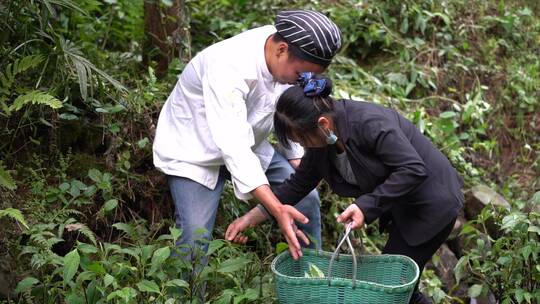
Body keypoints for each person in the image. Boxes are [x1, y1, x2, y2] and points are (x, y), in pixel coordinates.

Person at [225, 73, 464, 304]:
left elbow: (412, 168)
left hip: (432, 203)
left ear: (323, 124)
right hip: (403, 206)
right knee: (397, 289)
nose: (302, 147)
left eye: (303, 140)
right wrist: (251, 217)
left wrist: (364, 206)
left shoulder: (370, 124)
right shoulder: (322, 141)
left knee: (391, 288)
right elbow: (299, 183)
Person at [153, 9, 342, 275]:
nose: (302, 82)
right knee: (194, 240)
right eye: (300, 74)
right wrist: (276, 209)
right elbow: (234, 147)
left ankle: (312, 282)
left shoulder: (289, 56)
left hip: (252, 143)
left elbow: (289, 113)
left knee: (306, 200)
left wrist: (300, 164)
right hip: (194, 152)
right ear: (281, 50)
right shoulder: (229, 65)